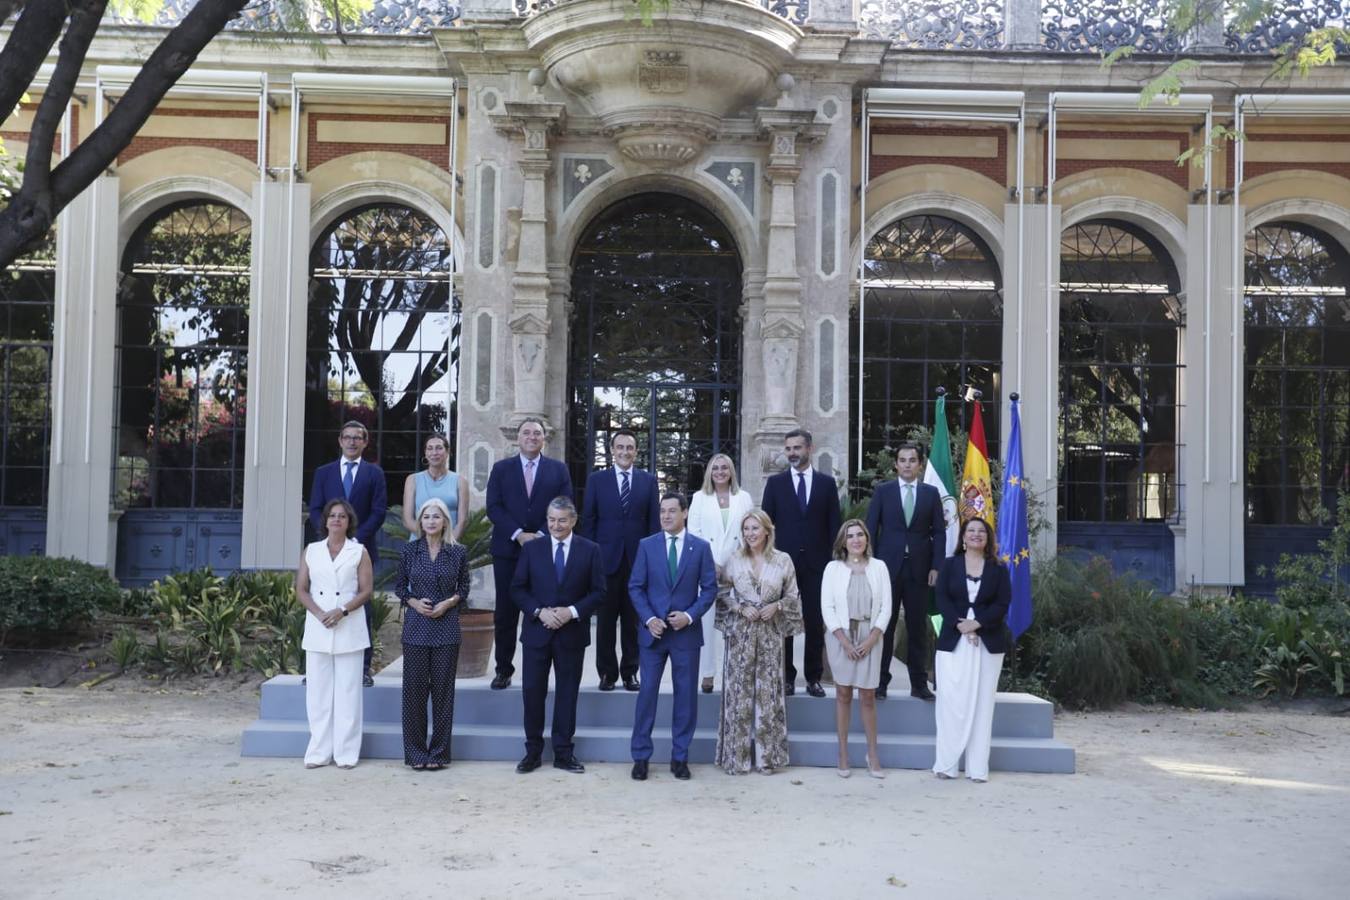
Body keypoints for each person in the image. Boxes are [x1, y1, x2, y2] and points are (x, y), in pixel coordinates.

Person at [512, 496, 606, 775]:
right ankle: (532, 752)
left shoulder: (591, 550)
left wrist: (572, 612)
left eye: (562, 520)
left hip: (572, 634)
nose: (556, 525)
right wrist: (539, 611)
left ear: (573, 520)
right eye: (551, 520)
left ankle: (564, 753)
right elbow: (517, 589)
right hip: (537, 633)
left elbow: (599, 592)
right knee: (532, 693)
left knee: (567, 694)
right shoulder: (532, 549)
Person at [628, 492, 718, 782]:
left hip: (686, 635)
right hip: (652, 635)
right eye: (662, 511)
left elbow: (709, 589)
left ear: (685, 513)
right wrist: (650, 619)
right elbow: (636, 587)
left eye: (671, 511)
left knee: (686, 699)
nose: (665, 516)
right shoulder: (646, 546)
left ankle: (680, 757)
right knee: (647, 696)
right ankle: (641, 756)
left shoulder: (701, 548)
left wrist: (689, 616)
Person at [485, 418, 573, 690]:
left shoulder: (558, 470)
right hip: (508, 549)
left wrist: (543, 536)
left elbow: (566, 504)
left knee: (544, 609)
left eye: (537, 433)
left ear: (544, 438)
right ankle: (503, 669)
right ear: (518, 437)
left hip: (546, 550)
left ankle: (541, 671)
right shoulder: (501, 469)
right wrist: (519, 534)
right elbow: (494, 507)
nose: (532, 436)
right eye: (527, 432)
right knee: (506, 613)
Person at [714, 508, 803, 775]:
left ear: (767, 530)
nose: (750, 533)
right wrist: (740, 607)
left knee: (769, 696)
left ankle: (769, 758)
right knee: (738, 694)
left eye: (755, 528)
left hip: (770, 634)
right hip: (741, 633)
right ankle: (735, 758)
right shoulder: (734, 559)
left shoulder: (782, 560)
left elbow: (794, 595)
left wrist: (776, 607)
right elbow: (721, 594)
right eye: (746, 529)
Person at [761, 428, 841, 698]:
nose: (792, 453)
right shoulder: (775, 484)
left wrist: (834, 564)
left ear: (810, 448)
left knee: (815, 621)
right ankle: (786, 677)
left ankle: (814, 677)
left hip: (818, 565)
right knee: (783, 621)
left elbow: (834, 528)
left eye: (797, 448)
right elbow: (766, 526)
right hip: (783, 565)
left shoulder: (826, 484)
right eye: (788, 449)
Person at [578, 429, 660, 692]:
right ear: (612, 450)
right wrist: (590, 559)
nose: (625, 452)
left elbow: (653, 523)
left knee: (633, 620)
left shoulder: (648, 481)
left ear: (637, 451)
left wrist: (650, 561)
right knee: (605, 621)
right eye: (620, 447)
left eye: (630, 447)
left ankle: (630, 672)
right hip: (605, 560)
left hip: (637, 561)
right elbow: (588, 520)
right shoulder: (597, 480)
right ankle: (607, 673)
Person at [864, 441, 947, 700]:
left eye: (912, 460)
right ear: (896, 464)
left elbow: (940, 533)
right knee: (884, 627)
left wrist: (936, 566)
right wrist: (870, 566)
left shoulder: (930, 493)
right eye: (903, 460)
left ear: (920, 465)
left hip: (920, 570)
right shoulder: (883, 491)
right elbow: (870, 529)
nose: (907, 465)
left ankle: (919, 684)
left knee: (917, 628)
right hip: (887, 569)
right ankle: (880, 682)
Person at [295, 498, 374, 769]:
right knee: (317, 693)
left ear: (349, 521)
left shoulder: (359, 551)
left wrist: (342, 610)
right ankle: (318, 751)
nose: (337, 520)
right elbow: (301, 589)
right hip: (318, 626)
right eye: (332, 516)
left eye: (342, 516)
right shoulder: (311, 550)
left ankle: (346, 753)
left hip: (348, 625)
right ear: (325, 520)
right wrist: (319, 614)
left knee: (349, 692)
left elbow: (366, 590)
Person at [932, 517, 1011, 783]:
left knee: (982, 705)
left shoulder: (999, 569)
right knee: (950, 703)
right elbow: (941, 598)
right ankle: (947, 764)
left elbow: (1002, 604)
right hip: (952, 643)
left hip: (988, 644)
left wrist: (977, 624)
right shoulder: (949, 565)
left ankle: (978, 768)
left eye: (981, 531)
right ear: (963, 537)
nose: (976, 535)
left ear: (988, 539)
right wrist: (961, 625)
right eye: (971, 531)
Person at [309, 421, 388, 686]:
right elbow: (316, 509)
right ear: (340, 441)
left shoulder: (374, 473)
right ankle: (316, 667)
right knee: (321, 605)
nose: (352, 442)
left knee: (360, 608)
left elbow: (378, 511)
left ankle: (363, 669)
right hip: (327, 551)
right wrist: (332, 538)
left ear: (365, 442)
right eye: (348, 437)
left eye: (358, 438)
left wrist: (354, 540)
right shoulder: (324, 472)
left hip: (361, 550)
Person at [394, 498, 470, 770]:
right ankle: (415, 754)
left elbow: (464, 588)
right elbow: (400, 587)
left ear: (445, 521)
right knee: (413, 694)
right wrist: (414, 602)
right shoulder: (410, 550)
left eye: (436, 516)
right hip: (416, 629)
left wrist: (448, 603)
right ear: (420, 521)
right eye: (426, 516)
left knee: (442, 694)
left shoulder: (458, 552)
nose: (431, 521)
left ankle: (438, 754)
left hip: (446, 629)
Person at [821, 519, 892, 779]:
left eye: (860, 535)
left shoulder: (879, 567)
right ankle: (842, 753)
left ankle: (872, 754)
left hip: (870, 636)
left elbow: (886, 607)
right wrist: (845, 642)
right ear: (843, 541)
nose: (855, 540)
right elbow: (827, 607)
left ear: (867, 539)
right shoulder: (833, 569)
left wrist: (872, 639)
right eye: (850, 536)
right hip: (841, 636)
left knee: (868, 696)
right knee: (842, 694)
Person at [688, 453, 754, 694]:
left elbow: (750, 530)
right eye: (715, 468)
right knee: (706, 623)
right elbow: (693, 532)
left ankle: (735, 670)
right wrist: (712, 564)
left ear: (731, 471)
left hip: (737, 568)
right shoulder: (699, 498)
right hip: (707, 568)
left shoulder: (743, 497)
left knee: (736, 622)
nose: (720, 472)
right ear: (709, 472)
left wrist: (733, 563)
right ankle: (707, 674)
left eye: (724, 468)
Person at [401, 433, 470, 542]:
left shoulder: (461, 481)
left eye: (439, 448)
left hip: (449, 545)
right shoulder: (412, 480)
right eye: (430, 448)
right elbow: (407, 519)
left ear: (447, 452)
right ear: (425, 453)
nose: (434, 452)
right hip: (419, 544)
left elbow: (463, 521)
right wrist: (430, 540)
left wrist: (448, 543)